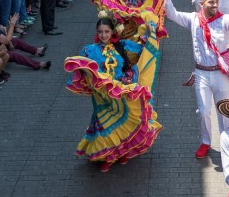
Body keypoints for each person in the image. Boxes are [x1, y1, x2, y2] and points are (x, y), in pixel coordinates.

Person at [64, 17, 162, 172]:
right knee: (105, 125)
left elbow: (143, 50)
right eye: (101, 32)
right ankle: (108, 157)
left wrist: (150, 33)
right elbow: (83, 69)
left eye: (107, 32)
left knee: (123, 120)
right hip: (101, 95)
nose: (104, 35)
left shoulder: (122, 46)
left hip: (120, 91)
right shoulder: (89, 50)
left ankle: (121, 151)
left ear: (112, 32)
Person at [164, 0, 229, 158]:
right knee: (203, 111)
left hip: (220, 74)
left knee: (224, 111)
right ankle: (205, 142)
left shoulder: (223, 20)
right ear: (201, 4)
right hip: (201, 73)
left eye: (216, 2)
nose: (215, 5)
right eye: (211, 2)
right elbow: (172, 14)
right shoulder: (193, 19)